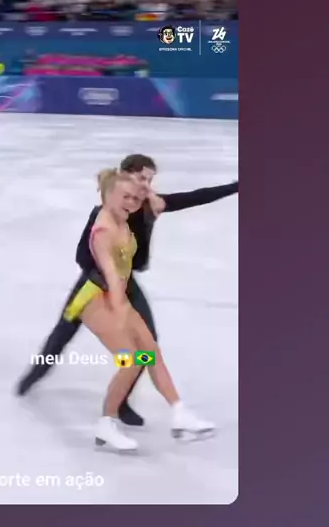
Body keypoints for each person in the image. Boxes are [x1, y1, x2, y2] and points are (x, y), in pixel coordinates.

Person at [17, 154, 238, 429]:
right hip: (94, 285)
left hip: (125, 282)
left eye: (150, 180)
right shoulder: (105, 214)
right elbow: (83, 257)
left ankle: (121, 401)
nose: (145, 185)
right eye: (141, 178)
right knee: (62, 335)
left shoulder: (147, 205)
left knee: (147, 345)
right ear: (124, 176)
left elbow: (195, 197)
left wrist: (235, 187)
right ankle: (36, 373)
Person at [61, 169, 214, 451]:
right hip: (95, 301)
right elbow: (111, 274)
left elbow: (148, 202)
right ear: (108, 196)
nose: (131, 202)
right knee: (130, 360)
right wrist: (120, 312)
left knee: (149, 352)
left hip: (116, 296)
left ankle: (179, 412)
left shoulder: (123, 217)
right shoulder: (103, 231)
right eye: (125, 197)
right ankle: (106, 424)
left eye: (134, 198)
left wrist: (149, 196)